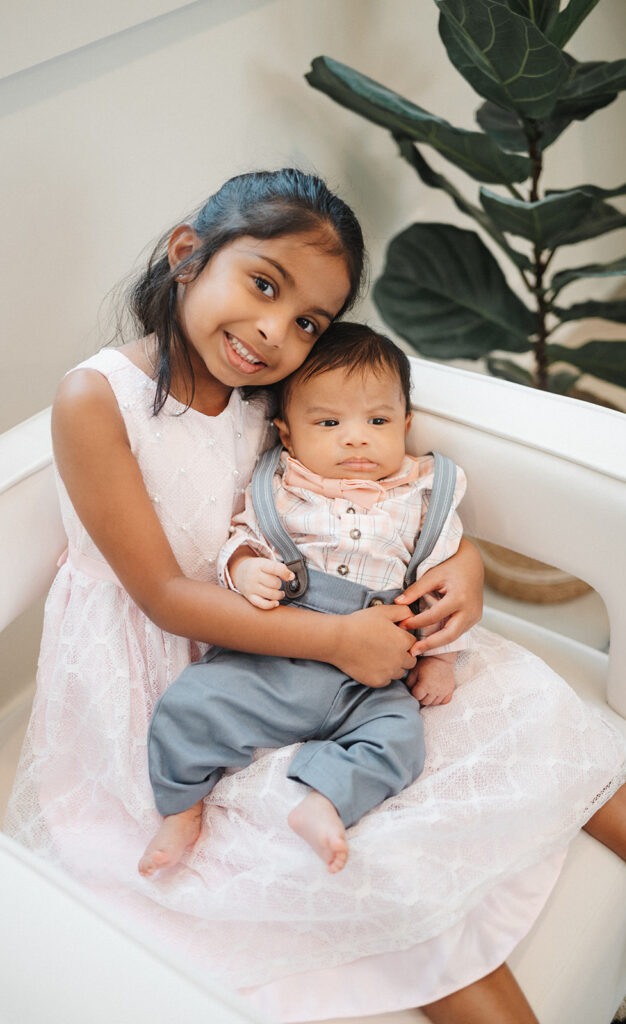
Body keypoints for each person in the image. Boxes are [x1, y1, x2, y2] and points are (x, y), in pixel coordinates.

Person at [5, 167, 626, 1024]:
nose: (271, 331)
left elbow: (378, 483)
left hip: (320, 622)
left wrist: (463, 569)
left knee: (523, 695)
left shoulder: (275, 393)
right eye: (261, 284)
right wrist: (338, 643)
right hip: (177, 674)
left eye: (306, 321)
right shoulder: (97, 398)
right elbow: (167, 597)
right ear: (188, 255)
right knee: (368, 862)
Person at [141, 323, 469, 877]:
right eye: (329, 422)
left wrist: (439, 657)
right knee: (189, 706)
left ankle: (325, 801)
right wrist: (245, 570)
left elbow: (441, 589)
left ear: (405, 426)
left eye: (379, 422)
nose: (356, 438)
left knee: (400, 741)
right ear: (287, 435)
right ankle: (182, 807)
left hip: (372, 673)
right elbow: (243, 536)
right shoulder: (281, 486)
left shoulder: (422, 496)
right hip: (276, 653)